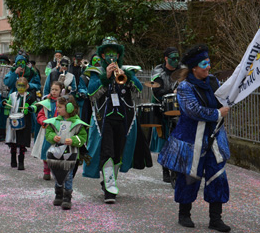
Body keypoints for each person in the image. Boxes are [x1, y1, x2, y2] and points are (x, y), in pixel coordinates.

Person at [158, 44, 231, 232]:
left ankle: (215, 219)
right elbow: (193, 111)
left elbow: (225, 100)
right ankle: (184, 214)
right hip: (192, 141)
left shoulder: (214, 82)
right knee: (189, 177)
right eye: (204, 63)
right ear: (194, 68)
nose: (208, 66)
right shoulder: (184, 87)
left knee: (217, 177)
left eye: (209, 62)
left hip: (214, 140)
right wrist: (218, 113)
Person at [85, 37, 152, 204]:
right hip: (104, 119)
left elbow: (139, 89)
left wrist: (128, 77)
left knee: (118, 151)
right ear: (102, 56)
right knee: (107, 150)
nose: (111, 57)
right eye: (107, 54)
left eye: (114, 53)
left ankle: (109, 181)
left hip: (124, 118)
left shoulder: (127, 70)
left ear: (119, 55)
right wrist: (106, 77)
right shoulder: (95, 71)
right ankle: (110, 189)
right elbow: (91, 93)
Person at [44, 95, 88, 210]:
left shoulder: (78, 123)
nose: (57, 109)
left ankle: (67, 197)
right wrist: (53, 137)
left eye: (60, 107)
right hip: (57, 154)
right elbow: (48, 133)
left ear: (69, 108)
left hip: (70, 155)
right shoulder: (54, 122)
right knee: (58, 174)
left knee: (68, 176)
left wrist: (73, 140)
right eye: (57, 107)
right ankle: (58, 194)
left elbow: (83, 137)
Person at [150, 47, 181, 186]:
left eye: (177, 58)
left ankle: (177, 169)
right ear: (166, 59)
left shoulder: (182, 70)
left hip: (180, 108)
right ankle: (165, 169)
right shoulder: (158, 72)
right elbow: (157, 91)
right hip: (163, 107)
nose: (176, 61)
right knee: (164, 140)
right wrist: (171, 91)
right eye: (173, 58)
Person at [3, 77, 37, 170]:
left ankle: (21, 162)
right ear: (16, 86)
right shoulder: (13, 95)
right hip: (13, 121)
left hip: (24, 121)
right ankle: (13, 160)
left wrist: (31, 108)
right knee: (13, 141)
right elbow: (8, 103)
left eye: (23, 86)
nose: (21, 88)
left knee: (22, 142)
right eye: (19, 86)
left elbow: (35, 105)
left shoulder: (30, 96)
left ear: (27, 86)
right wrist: (5, 103)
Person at [31, 81, 63, 180]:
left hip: (58, 130)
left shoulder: (63, 103)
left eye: (56, 90)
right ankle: (46, 170)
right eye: (52, 89)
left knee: (58, 150)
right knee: (46, 150)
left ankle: (56, 170)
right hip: (47, 130)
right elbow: (40, 115)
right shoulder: (46, 102)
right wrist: (44, 122)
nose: (54, 92)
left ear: (61, 91)